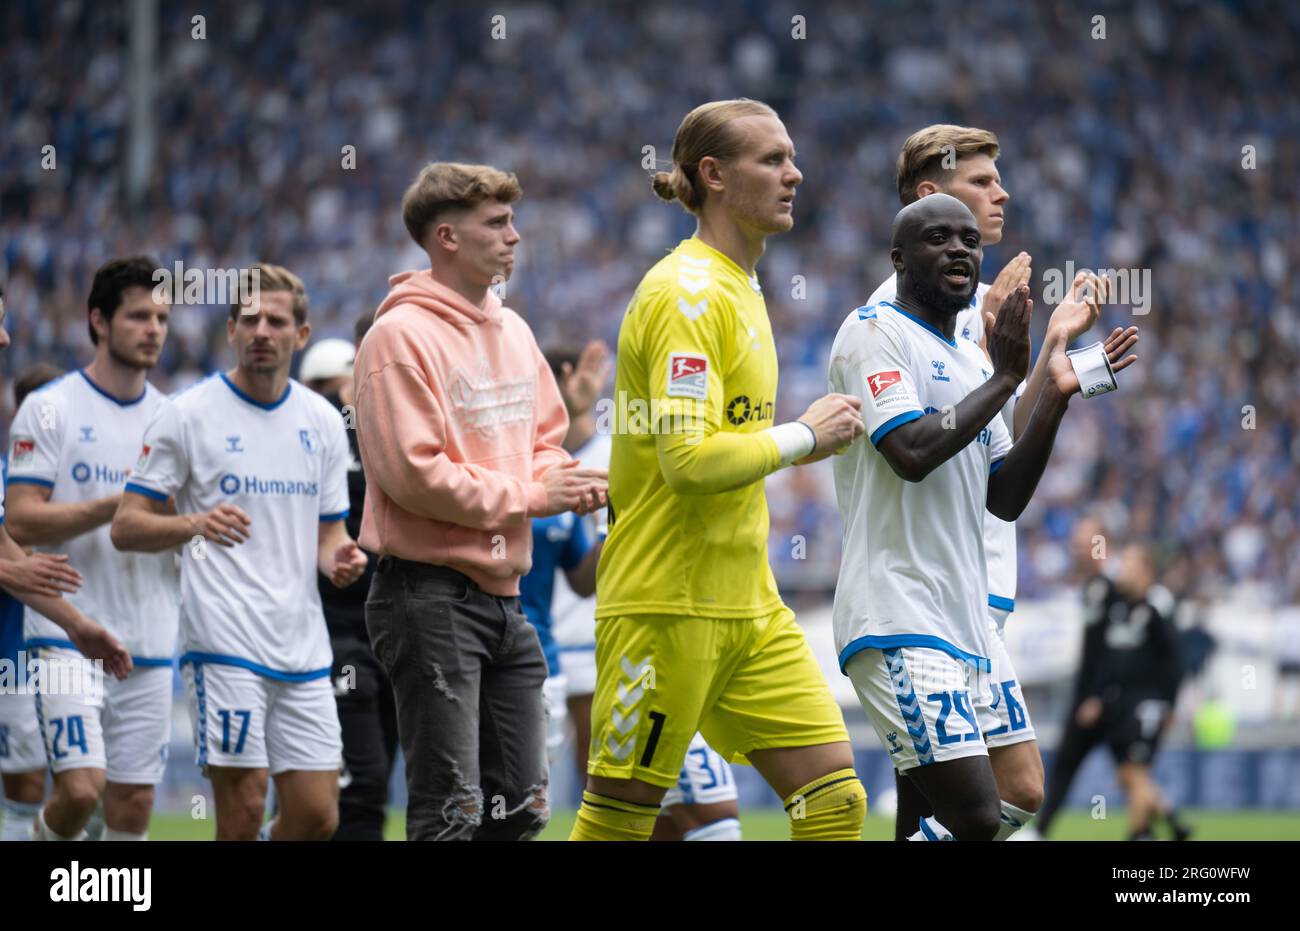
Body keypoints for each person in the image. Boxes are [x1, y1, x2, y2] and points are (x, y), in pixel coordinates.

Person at [571, 99, 868, 843]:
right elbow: (689, 460)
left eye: (791, 156)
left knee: (834, 803)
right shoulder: (687, 293)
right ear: (714, 175)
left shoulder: (743, 284)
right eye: (771, 159)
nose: (794, 173)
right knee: (618, 823)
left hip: (749, 607)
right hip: (665, 606)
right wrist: (803, 435)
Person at [829, 193, 1137, 840]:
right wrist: (1004, 380)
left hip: (964, 620)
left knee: (1018, 792)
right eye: (938, 237)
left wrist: (1053, 392)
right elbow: (911, 452)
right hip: (898, 613)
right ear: (898, 257)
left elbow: (1005, 495)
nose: (960, 250)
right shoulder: (875, 332)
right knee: (969, 813)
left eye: (969, 241)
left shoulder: (971, 359)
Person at [353, 161, 607, 841]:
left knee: (522, 808)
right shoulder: (396, 338)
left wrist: (565, 479)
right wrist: (532, 494)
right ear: (447, 238)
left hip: (506, 600)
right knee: (450, 811)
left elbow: (548, 439)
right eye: (496, 223)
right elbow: (415, 475)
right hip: (425, 595)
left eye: (512, 220)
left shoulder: (513, 329)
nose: (514, 236)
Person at [112, 263, 366, 841]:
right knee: (245, 805)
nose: (262, 331)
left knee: (317, 816)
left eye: (276, 321)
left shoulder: (323, 421)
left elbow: (330, 537)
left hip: (302, 648)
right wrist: (195, 524)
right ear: (230, 329)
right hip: (222, 642)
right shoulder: (185, 413)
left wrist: (342, 560)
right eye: (249, 319)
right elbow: (127, 525)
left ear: (300, 336)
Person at [6, 258, 178, 842]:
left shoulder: (175, 420)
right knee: (81, 789)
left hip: (150, 635)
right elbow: (21, 519)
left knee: (131, 807)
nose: (153, 328)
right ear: (98, 321)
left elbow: (187, 526)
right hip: (64, 634)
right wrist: (120, 502)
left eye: (161, 317)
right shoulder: (50, 407)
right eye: (138, 316)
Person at [545, 342, 743, 841]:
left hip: (625, 640)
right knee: (608, 801)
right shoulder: (533, 465)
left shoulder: (619, 451)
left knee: (669, 805)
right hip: (552, 652)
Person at [299, 322, 400, 841]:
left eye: (330, 383)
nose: (324, 397)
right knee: (360, 782)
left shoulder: (397, 430)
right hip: (332, 634)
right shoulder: (310, 439)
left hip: (396, 634)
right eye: (313, 388)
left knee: (373, 782)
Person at [1035, 528, 1191, 840]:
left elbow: (1174, 659)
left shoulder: (1158, 605)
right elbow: (1109, 660)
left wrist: (1170, 704)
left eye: (1130, 564)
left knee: (1133, 771)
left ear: (1145, 569)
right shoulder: (1120, 607)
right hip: (1121, 703)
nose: (1123, 569)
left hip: (1147, 704)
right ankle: (1171, 823)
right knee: (1128, 774)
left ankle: (1140, 833)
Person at [0, 362, 64, 841]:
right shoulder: (6, 479)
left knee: (84, 786)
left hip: (80, 655)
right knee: (24, 784)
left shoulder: (90, 479)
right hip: (15, 655)